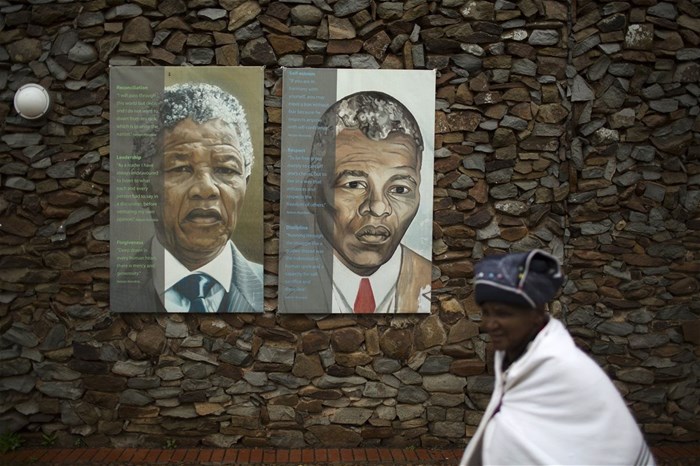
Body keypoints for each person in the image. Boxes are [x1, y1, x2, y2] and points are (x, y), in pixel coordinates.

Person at [459, 249, 655, 465]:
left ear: (536, 314)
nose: (488, 324)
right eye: (486, 313)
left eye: (502, 313)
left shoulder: (563, 367)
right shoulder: (520, 358)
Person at [113, 83, 263, 313]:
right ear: (142, 186)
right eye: (181, 168)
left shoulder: (277, 288)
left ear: (246, 182)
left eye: (225, 170)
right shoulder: (113, 290)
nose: (206, 189)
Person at [281, 91, 431, 314]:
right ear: (311, 192)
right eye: (353, 185)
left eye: (399, 189)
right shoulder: (282, 280)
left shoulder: (429, 283)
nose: (378, 207)